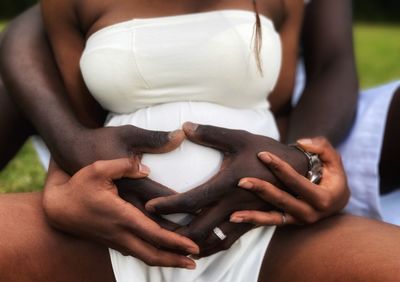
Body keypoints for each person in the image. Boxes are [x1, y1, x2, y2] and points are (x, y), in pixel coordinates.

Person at [0, 1, 399, 281]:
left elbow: (281, 107)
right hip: (109, 234)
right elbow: (81, 123)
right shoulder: (66, 8)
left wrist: (301, 165)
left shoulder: (281, 7)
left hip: (260, 234)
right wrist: (59, 189)